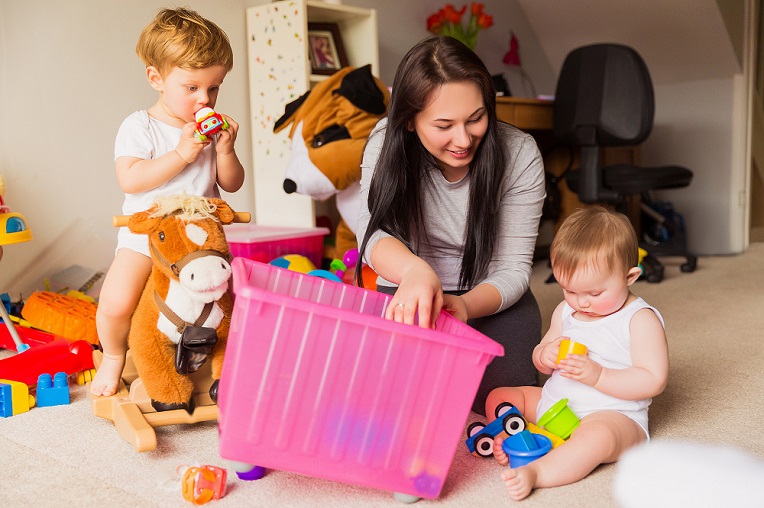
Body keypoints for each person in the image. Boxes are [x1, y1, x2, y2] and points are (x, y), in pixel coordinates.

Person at [355, 35, 546, 414]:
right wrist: (415, 272)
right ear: (409, 121)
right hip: (409, 293)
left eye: (476, 118)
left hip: (488, 300)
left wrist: (463, 305)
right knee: (386, 398)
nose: (463, 139)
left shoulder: (520, 152)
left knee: (501, 402)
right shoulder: (385, 141)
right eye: (444, 125)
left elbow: (513, 269)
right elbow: (372, 230)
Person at [90, 8, 245, 397]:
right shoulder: (140, 125)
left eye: (214, 87)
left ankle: (218, 361)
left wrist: (225, 150)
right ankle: (112, 355)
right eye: (191, 87)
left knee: (226, 307)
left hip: (199, 243)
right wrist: (181, 153)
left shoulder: (211, 131)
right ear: (156, 78)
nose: (204, 99)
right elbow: (131, 178)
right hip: (147, 235)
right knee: (115, 301)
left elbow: (232, 183)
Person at [486, 206, 669, 501]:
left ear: (630, 276)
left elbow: (653, 380)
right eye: (568, 290)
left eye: (594, 293)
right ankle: (517, 435)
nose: (581, 302)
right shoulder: (566, 310)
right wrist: (545, 355)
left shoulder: (639, 319)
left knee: (595, 439)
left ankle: (538, 472)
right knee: (500, 396)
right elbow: (541, 355)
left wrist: (598, 375)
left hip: (611, 415)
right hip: (556, 406)